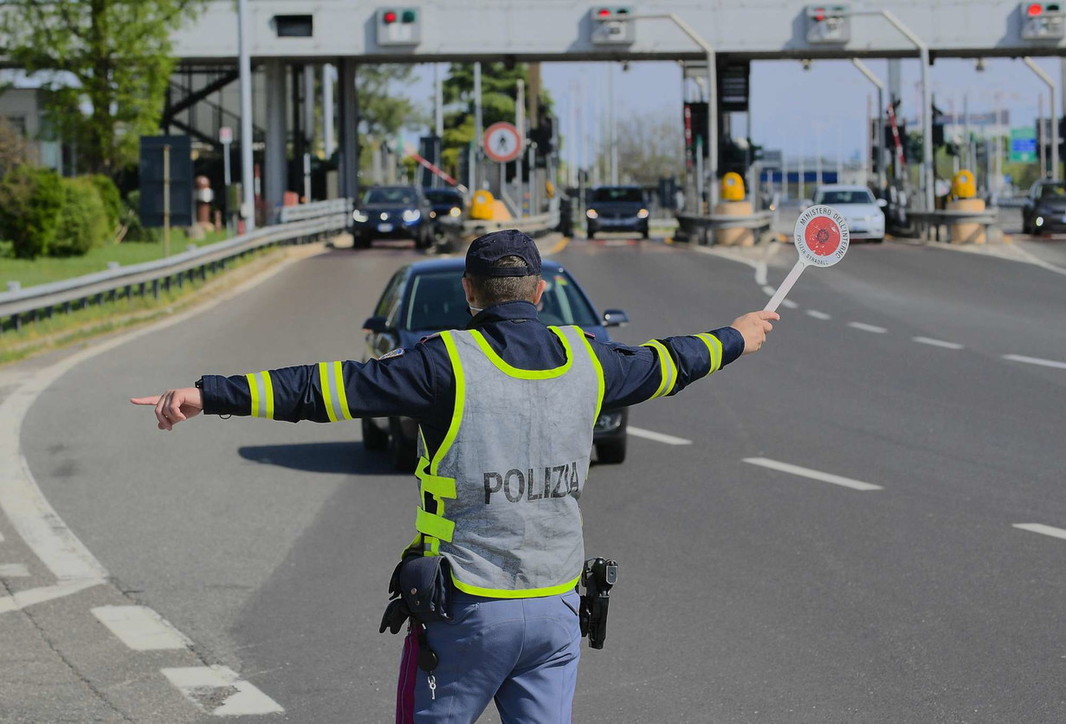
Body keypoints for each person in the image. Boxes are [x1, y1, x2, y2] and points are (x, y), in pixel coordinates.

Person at [131, 228, 778, 723]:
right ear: (541, 293)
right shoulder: (591, 358)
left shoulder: (446, 363)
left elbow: (325, 389)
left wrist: (207, 394)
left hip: (467, 616)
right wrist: (738, 336)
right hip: (556, 610)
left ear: (469, 292)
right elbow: (671, 362)